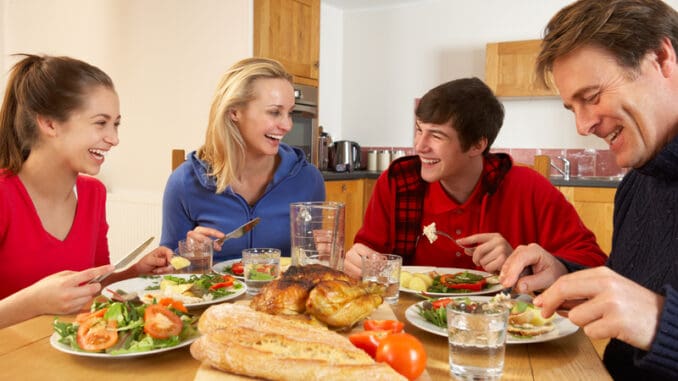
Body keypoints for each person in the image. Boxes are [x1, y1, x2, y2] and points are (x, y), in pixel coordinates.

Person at [499, 0, 678, 379]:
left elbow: (647, 311)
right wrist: (564, 275)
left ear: (662, 58)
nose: (582, 126)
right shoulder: (638, 184)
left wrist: (660, 321)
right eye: (572, 108)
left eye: (592, 96)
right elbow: (630, 291)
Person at [343, 77, 607, 278]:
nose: (419, 146)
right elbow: (368, 254)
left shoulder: (529, 188)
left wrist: (523, 264)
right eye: (419, 130)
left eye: (436, 135)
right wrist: (359, 261)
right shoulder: (397, 183)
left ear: (477, 145)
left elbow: (592, 263)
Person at [0, 54, 174, 328]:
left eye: (116, 124)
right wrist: (35, 301)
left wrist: (134, 271)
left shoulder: (93, 193)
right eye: (100, 123)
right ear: (49, 123)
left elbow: (93, 283)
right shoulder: (4, 196)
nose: (114, 139)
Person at [161, 57, 324, 262]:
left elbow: (311, 262)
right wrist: (188, 254)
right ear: (234, 111)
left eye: (289, 113)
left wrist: (323, 255)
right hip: (214, 294)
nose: (287, 125)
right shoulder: (184, 182)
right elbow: (167, 269)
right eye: (274, 112)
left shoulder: (307, 179)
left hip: (281, 293)